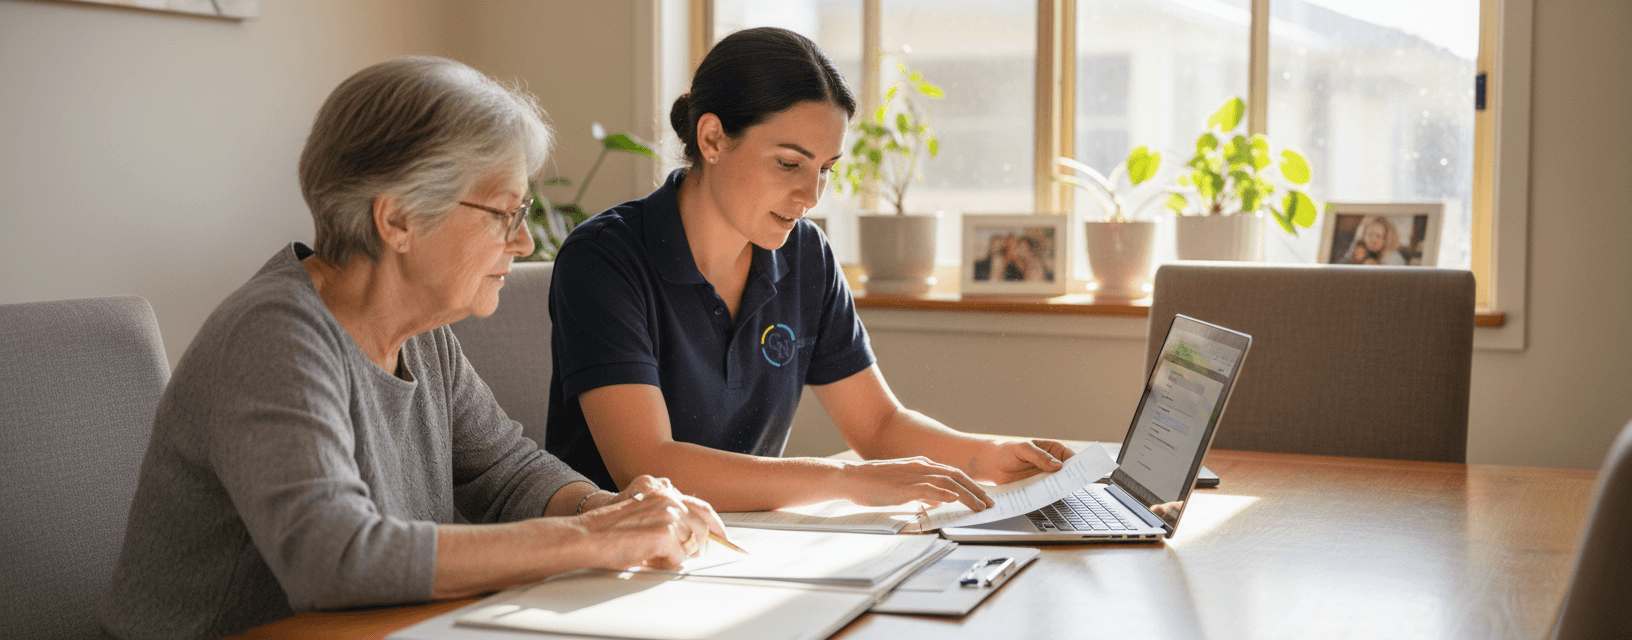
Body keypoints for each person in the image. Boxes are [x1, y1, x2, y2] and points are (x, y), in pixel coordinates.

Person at [98, 57, 725, 640]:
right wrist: (592, 538)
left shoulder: (423, 336)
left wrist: (615, 507)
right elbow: (337, 558)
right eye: (505, 213)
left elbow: (504, 471)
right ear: (396, 219)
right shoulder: (274, 335)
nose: (525, 244)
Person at [545, 27, 1075, 514]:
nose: (812, 195)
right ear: (711, 140)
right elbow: (648, 466)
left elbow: (877, 424)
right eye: (789, 163)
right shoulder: (604, 259)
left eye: (825, 168)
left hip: (746, 547)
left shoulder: (805, 256)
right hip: (612, 563)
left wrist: (986, 454)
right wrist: (847, 480)